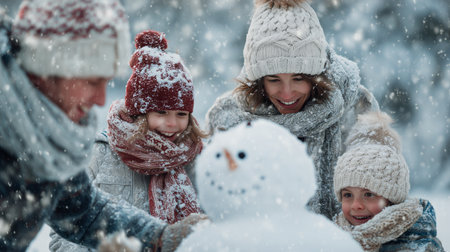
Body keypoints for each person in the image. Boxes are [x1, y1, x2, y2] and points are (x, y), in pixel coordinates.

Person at [0, 1, 204, 251]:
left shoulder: (46, 140)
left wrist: (159, 236)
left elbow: (84, 212)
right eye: (92, 81)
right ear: (48, 68)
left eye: (106, 82)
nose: (100, 100)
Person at [206, 0, 378, 219]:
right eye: (274, 80)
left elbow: (383, 195)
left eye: (299, 78)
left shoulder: (354, 109)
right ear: (259, 81)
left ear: (317, 78)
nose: (287, 94)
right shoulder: (229, 120)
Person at [49, 29, 208, 251]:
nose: (172, 124)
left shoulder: (198, 157)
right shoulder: (100, 153)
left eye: (181, 114)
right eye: (161, 112)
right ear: (139, 113)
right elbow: (63, 232)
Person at [333, 111, 444, 251]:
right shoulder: (335, 237)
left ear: (392, 200)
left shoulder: (416, 245)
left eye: (368, 194)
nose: (356, 205)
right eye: (348, 195)